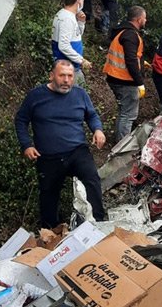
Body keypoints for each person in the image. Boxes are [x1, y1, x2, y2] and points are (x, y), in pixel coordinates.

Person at [14, 60, 107, 229]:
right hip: (48, 155)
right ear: (52, 76)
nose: (66, 80)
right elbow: (21, 120)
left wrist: (98, 130)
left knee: (92, 179)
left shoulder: (80, 94)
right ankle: (50, 232)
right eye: (62, 75)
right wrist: (26, 145)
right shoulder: (36, 96)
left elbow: (92, 115)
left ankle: (99, 223)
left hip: (77, 151)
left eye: (70, 76)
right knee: (48, 194)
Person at [103, 5, 147, 143]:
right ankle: (122, 148)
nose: (145, 21)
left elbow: (129, 56)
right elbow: (130, 60)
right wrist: (140, 82)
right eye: (145, 18)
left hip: (115, 77)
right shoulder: (131, 35)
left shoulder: (122, 31)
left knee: (124, 113)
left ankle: (119, 144)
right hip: (125, 80)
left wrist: (142, 62)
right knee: (128, 115)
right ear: (139, 19)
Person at [51, 0, 92, 82]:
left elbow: (75, 36)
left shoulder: (66, 15)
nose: (83, 1)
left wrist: (81, 23)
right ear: (78, 0)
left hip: (72, 67)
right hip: (68, 70)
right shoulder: (67, 19)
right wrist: (81, 60)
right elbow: (64, 45)